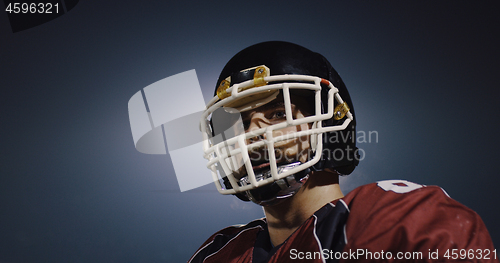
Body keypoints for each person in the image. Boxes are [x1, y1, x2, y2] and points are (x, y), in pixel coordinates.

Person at [189, 41, 497, 262]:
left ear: (331, 124)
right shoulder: (219, 252)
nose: (251, 134)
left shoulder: (395, 222)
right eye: (240, 124)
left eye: (278, 114)